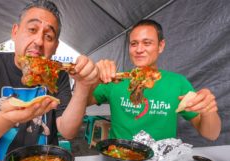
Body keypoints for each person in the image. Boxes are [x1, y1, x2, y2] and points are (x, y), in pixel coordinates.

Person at [0, 0, 98, 160]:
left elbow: (68, 131)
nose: (39, 41)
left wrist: (83, 86)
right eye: (32, 30)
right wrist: (9, 118)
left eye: (48, 36)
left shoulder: (57, 73)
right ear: (15, 32)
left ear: (55, 46)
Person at [88, 19, 221, 141]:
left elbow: (211, 134)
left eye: (147, 43)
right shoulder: (114, 79)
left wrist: (209, 109)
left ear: (161, 45)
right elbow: (81, 103)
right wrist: (91, 81)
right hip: (118, 157)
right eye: (134, 44)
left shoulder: (178, 83)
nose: (139, 49)